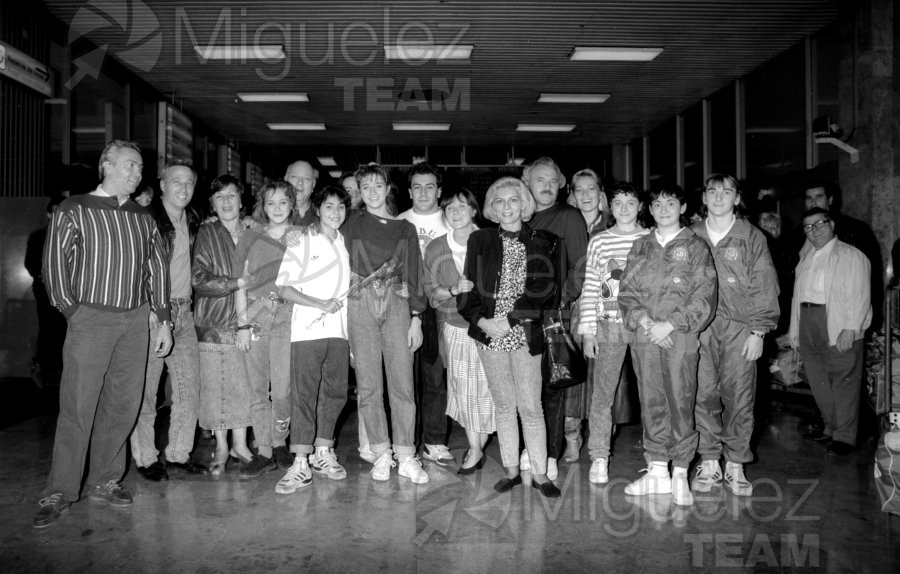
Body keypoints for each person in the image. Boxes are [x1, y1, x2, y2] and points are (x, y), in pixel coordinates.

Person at [34, 140, 173, 529]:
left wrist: (163, 319)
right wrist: (74, 312)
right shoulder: (74, 208)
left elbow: (156, 269)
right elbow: (54, 266)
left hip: (135, 321)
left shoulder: (143, 218)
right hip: (91, 319)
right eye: (130, 165)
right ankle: (60, 489)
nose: (137, 173)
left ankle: (104, 480)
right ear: (106, 165)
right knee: (78, 404)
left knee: (123, 405)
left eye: (140, 168)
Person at [459, 176, 561, 497]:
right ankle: (512, 471)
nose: (506, 207)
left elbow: (545, 291)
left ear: (524, 204)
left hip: (524, 331)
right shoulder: (480, 241)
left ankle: (541, 473)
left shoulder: (544, 241)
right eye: (499, 201)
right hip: (489, 334)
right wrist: (483, 322)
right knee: (504, 405)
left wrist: (511, 319)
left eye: (513, 200)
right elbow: (466, 291)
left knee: (531, 406)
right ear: (491, 207)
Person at [617, 182, 717, 506]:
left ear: (683, 208)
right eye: (657, 204)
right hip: (645, 336)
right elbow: (627, 292)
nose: (663, 209)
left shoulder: (696, 246)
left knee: (680, 400)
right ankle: (657, 470)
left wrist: (671, 323)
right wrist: (646, 322)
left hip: (680, 336)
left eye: (670, 203)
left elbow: (704, 295)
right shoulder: (641, 247)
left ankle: (680, 472)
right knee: (651, 400)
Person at [691, 174, 780, 496]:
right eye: (712, 191)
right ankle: (710, 460)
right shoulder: (692, 235)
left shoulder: (751, 236)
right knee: (703, 395)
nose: (718, 197)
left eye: (726, 192)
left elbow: (765, 285)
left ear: (737, 198)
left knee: (739, 396)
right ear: (704, 197)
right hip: (701, 329)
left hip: (740, 329)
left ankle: (736, 463)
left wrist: (759, 330)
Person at [342, 163, 429, 484]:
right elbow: (318, 227)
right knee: (368, 385)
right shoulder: (350, 222)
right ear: (360, 192)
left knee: (403, 384)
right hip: (359, 304)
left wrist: (416, 319)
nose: (373, 192)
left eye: (379, 185)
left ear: (388, 188)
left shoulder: (404, 228)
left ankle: (406, 454)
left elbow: (415, 273)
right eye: (366, 187)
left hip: (396, 303)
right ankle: (381, 453)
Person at [129, 160, 206, 482]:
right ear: (161, 184)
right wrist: (147, 310)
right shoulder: (145, 219)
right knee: (146, 392)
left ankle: (177, 454)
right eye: (177, 181)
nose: (183, 188)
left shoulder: (194, 220)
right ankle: (146, 458)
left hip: (184, 313)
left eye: (189, 183)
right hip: (151, 313)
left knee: (190, 390)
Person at [274, 186, 352, 493]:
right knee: (304, 395)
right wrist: (320, 304)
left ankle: (323, 453)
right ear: (317, 210)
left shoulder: (345, 243)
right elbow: (284, 288)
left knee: (335, 394)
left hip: (339, 333)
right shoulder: (303, 240)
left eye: (341, 207)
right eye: (329, 207)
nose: (335, 212)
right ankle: (300, 462)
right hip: (307, 332)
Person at [578, 182, 650, 484]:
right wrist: (588, 330)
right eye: (617, 202)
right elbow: (591, 285)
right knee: (603, 393)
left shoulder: (651, 239)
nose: (623, 208)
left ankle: (656, 458)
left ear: (640, 207)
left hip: (645, 325)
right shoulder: (599, 241)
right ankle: (598, 455)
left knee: (652, 394)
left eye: (630, 202)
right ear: (610, 206)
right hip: (609, 324)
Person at [521, 157, 587, 480]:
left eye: (552, 181)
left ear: (560, 183)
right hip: (518, 314)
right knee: (525, 385)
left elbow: (581, 266)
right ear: (526, 181)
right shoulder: (517, 216)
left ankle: (549, 453)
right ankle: (527, 447)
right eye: (539, 180)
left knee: (552, 384)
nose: (546, 187)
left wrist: (562, 298)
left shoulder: (569, 217)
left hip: (552, 313)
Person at [790, 207, 872, 456]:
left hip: (837, 322)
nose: (814, 230)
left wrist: (851, 328)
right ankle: (830, 428)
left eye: (820, 223)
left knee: (844, 380)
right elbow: (797, 297)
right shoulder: (806, 258)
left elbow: (860, 295)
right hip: (808, 320)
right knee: (818, 380)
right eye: (808, 226)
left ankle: (845, 437)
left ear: (832, 224)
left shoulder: (852, 255)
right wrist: (794, 330)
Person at [424, 188, 495, 473]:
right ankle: (475, 449)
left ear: (474, 211)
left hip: (490, 328)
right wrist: (453, 289)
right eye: (449, 208)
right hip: (455, 327)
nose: (455, 212)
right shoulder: (436, 247)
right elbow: (431, 295)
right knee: (464, 391)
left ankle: (477, 448)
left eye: (462, 206)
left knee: (490, 391)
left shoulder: (491, 241)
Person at [192, 175, 256, 476]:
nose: (227, 202)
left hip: (249, 323)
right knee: (216, 388)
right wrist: (236, 283)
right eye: (220, 197)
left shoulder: (254, 231)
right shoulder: (206, 233)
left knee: (244, 386)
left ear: (242, 201)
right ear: (212, 205)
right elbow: (198, 279)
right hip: (215, 322)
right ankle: (220, 446)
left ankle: (240, 445)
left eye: (232, 195)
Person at [233, 181, 296, 477]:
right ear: (262, 206)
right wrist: (242, 324)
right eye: (271, 203)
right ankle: (265, 450)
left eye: (283, 202)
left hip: (288, 316)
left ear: (292, 204)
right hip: (255, 316)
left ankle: (280, 440)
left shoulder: (302, 236)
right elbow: (240, 284)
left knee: (282, 389)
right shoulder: (250, 236)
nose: (277, 208)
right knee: (258, 389)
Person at [398, 162, 454, 466]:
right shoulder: (397, 222)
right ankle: (405, 442)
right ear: (409, 191)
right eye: (417, 186)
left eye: (429, 186)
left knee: (435, 377)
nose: (423, 192)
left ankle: (434, 441)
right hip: (403, 308)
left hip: (439, 309)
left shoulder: (451, 220)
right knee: (404, 380)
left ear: (439, 190)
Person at [798, 181, 882, 328]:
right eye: (808, 198)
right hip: (809, 318)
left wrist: (861, 324)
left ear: (830, 199)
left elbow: (868, 280)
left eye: (819, 197)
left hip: (844, 319)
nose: (813, 202)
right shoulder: (798, 234)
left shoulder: (855, 229)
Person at [25, 193, 68, 388]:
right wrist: (44, 276)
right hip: (45, 290)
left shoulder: (70, 235)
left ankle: (58, 370)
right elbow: (31, 264)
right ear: (49, 213)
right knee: (47, 328)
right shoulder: (38, 236)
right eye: (57, 211)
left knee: (63, 329)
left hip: (66, 291)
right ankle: (46, 368)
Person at [566, 168, 610, 236]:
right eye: (579, 190)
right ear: (574, 197)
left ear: (600, 194)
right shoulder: (564, 226)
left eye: (591, 189)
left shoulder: (613, 224)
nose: (585, 194)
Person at [285, 160, 318, 226]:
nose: (300, 183)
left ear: (313, 184)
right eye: (294, 177)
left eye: (306, 178)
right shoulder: (270, 214)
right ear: (286, 180)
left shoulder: (323, 216)